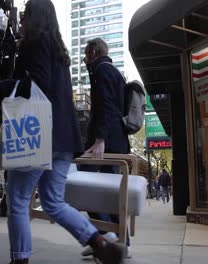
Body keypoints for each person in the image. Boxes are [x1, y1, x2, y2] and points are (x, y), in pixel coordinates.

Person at [0, 1, 125, 263]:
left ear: (35, 18)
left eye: (25, 15)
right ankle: (99, 241)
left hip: (38, 135)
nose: (22, 20)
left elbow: (38, 85)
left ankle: (20, 259)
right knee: (53, 202)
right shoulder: (60, 52)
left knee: (19, 201)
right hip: (63, 138)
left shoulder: (34, 44)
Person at [79, 37, 131, 258]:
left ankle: (106, 237)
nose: (83, 58)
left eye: (86, 53)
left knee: (83, 185)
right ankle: (120, 243)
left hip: (105, 141)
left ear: (93, 51)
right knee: (111, 194)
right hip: (116, 140)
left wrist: (99, 139)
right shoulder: (113, 71)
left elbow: (106, 106)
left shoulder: (101, 70)